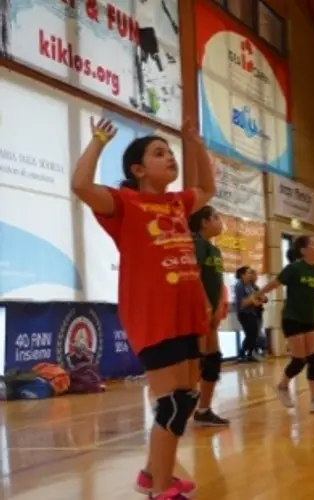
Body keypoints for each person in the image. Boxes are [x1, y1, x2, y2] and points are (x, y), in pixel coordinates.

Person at [72, 116, 215, 500]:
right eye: (158, 153)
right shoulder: (125, 203)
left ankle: (153, 475)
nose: (169, 158)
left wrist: (196, 145)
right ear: (138, 169)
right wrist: (99, 141)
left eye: (170, 153)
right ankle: (162, 490)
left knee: (185, 400)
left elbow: (208, 187)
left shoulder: (177, 203)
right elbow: (81, 185)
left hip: (185, 316)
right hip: (153, 317)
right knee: (171, 405)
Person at [254, 236, 314, 413]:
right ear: (303, 250)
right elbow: (275, 283)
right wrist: (258, 294)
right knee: (300, 360)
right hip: (292, 318)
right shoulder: (294, 268)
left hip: (310, 319)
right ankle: (282, 386)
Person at [188, 205, 230, 427]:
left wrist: (219, 305)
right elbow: (193, 276)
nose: (220, 222)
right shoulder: (197, 244)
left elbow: (219, 281)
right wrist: (205, 306)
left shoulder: (215, 250)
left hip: (211, 313)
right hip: (197, 312)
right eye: (216, 218)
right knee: (197, 361)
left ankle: (204, 410)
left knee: (213, 359)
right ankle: (179, 407)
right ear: (204, 222)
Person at [234, 266, 262, 362]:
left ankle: (250, 354)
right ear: (242, 275)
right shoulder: (239, 286)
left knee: (253, 334)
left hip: (252, 312)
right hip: (244, 313)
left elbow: (256, 299)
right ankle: (242, 353)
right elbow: (242, 303)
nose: (251, 275)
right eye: (248, 273)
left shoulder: (249, 286)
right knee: (250, 334)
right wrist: (253, 300)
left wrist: (255, 300)